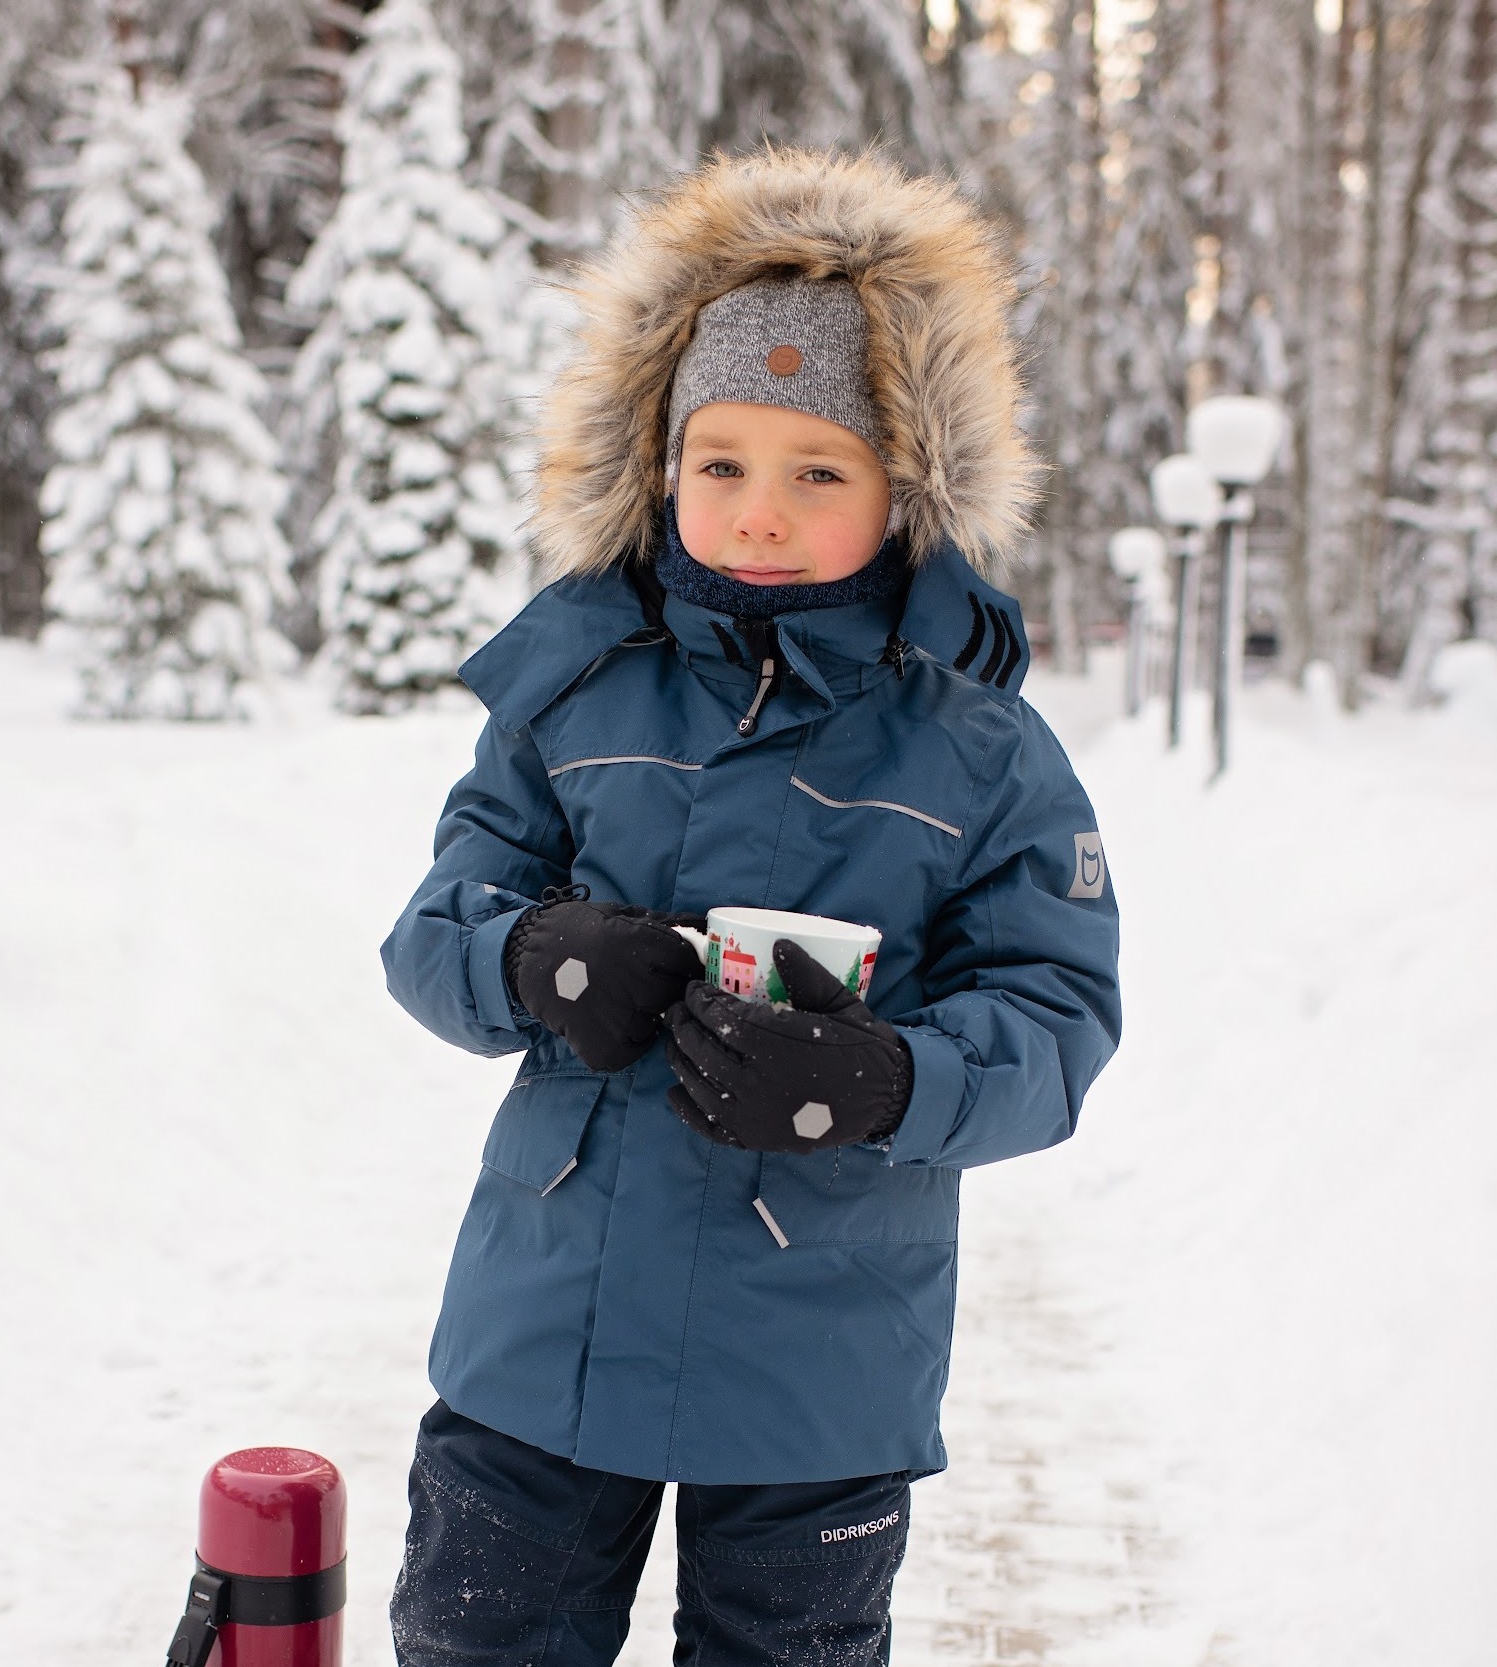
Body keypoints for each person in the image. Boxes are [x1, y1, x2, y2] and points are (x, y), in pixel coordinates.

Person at [380, 147, 1121, 1666]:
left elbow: (1056, 1018)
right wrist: (533, 958)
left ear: (905, 488)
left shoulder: (978, 747)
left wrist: (890, 1077)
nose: (760, 513)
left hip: (820, 1360)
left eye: (819, 471)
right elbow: (436, 924)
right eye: (721, 462)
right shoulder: (573, 686)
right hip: (544, 1332)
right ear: (659, 462)